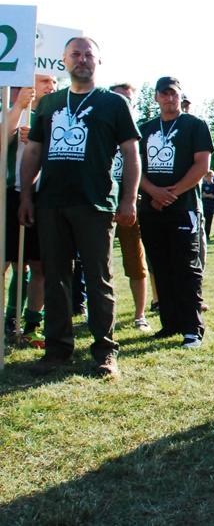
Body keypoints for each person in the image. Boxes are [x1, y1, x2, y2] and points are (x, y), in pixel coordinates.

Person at [20, 37, 141, 378]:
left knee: (99, 278)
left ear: (98, 62)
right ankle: (57, 350)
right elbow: (33, 152)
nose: (82, 59)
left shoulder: (114, 103)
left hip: (95, 203)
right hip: (51, 203)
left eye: (89, 54)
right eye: (76, 54)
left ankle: (105, 351)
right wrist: (27, 195)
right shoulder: (49, 103)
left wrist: (129, 199)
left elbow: (131, 153)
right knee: (56, 277)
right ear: (64, 61)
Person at [137, 77, 214, 348]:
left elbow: (202, 165)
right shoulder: (144, 129)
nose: (169, 98)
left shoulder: (195, 125)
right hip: (151, 208)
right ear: (156, 97)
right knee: (161, 266)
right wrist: (153, 192)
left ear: (180, 96)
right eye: (164, 93)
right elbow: (135, 166)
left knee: (186, 268)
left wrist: (172, 193)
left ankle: (192, 328)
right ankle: (170, 324)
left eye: (174, 93)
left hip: (183, 208)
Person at [3, 75, 57, 345]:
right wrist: (17, 110)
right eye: (45, 80)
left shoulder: (53, 118)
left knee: (39, 264)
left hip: (41, 197)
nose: (51, 86)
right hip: (8, 195)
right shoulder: (9, 112)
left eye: (54, 82)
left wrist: (39, 142)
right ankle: (8, 320)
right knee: (5, 261)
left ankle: (33, 324)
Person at [109, 82, 151, 330]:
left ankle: (139, 315)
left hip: (130, 203)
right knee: (96, 263)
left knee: (135, 260)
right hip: (100, 203)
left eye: (128, 99)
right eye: (118, 98)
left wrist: (131, 198)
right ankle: (99, 313)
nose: (123, 103)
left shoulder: (141, 133)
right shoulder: (99, 126)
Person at [200, 170, 214, 239]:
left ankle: (207, 235)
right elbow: (201, 195)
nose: (209, 177)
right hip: (202, 205)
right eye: (207, 176)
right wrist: (209, 195)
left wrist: (207, 195)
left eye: (210, 176)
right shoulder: (202, 185)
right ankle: (200, 234)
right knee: (201, 221)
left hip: (211, 206)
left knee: (209, 221)